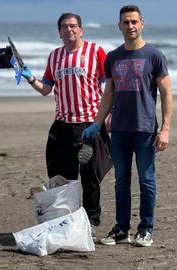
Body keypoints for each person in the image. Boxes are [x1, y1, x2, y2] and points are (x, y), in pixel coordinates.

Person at [82, 5, 173, 247]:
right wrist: (97, 123)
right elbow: (108, 95)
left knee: (146, 180)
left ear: (142, 23)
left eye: (134, 21)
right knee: (121, 181)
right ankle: (122, 229)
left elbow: (166, 94)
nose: (130, 26)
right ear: (119, 25)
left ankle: (146, 229)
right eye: (126, 22)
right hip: (119, 131)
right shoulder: (113, 57)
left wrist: (165, 129)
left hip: (145, 130)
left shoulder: (154, 56)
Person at [20, 13, 112, 241]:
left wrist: (108, 115)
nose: (69, 30)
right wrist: (30, 78)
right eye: (64, 27)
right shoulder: (54, 56)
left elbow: (110, 86)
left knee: (90, 175)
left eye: (73, 26)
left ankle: (91, 220)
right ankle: (66, 218)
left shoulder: (95, 52)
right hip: (63, 125)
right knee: (62, 176)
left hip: (90, 124)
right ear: (59, 31)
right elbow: (46, 89)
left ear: (81, 30)